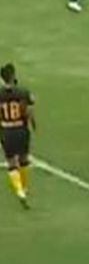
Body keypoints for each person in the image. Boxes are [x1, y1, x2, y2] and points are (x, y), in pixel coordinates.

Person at [0, 66, 33, 210]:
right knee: (24, 159)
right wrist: (33, 124)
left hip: (6, 129)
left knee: (11, 162)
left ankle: (19, 191)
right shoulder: (22, 92)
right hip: (21, 129)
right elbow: (28, 110)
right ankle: (24, 188)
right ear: (13, 76)